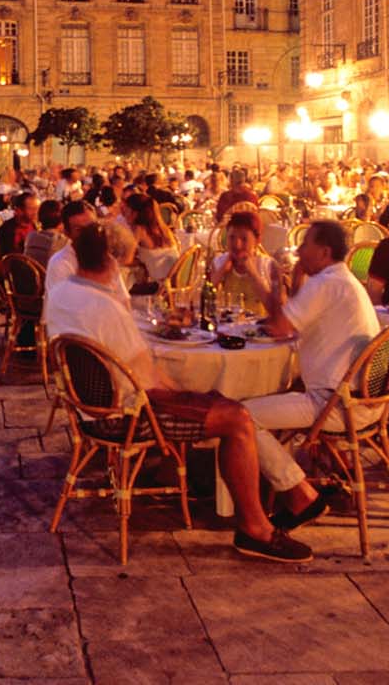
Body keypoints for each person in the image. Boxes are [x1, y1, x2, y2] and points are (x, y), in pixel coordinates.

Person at [42, 222, 313, 563]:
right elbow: (152, 384)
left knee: (225, 406)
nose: (126, 272)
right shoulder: (105, 308)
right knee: (239, 417)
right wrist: (201, 394)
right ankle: (255, 528)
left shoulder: (63, 293)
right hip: (127, 416)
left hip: (89, 410)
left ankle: (280, 498)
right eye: (126, 264)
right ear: (110, 261)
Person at [240, 220, 379, 530]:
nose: (299, 250)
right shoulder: (340, 280)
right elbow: (296, 319)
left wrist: (277, 286)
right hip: (361, 401)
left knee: (242, 416)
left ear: (324, 251)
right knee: (262, 402)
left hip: (334, 405)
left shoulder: (327, 283)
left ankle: (300, 494)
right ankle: (276, 489)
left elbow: (280, 328)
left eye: (305, 245)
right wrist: (299, 276)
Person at [208, 211, 281, 317]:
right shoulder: (219, 262)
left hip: (259, 328)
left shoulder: (268, 266)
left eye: (244, 239)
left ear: (257, 240)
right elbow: (205, 301)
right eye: (232, 237)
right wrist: (222, 271)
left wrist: (253, 272)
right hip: (227, 327)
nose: (237, 245)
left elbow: (277, 311)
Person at [44, 200, 106, 296]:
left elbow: (122, 298)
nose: (88, 234)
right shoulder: (61, 264)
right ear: (67, 233)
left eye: (91, 227)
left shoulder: (105, 257)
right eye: (79, 230)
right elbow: (66, 306)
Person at [124, 192, 178, 283]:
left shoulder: (139, 229)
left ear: (135, 213)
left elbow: (126, 260)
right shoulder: (162, 228)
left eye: (126, 210)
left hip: (159, 286)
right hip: (174, 280)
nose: (124, 214)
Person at [23, 199, 68, 266]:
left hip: (28, 275)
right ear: (62, 221)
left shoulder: (31, 236)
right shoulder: (61, 241)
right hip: (49, 275)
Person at [0, 192, 38, 258]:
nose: (35, 212)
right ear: (19, 210)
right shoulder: (6, 230)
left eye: (36, 209)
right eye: (31, 209)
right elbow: (4, 259)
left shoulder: (32, 225)